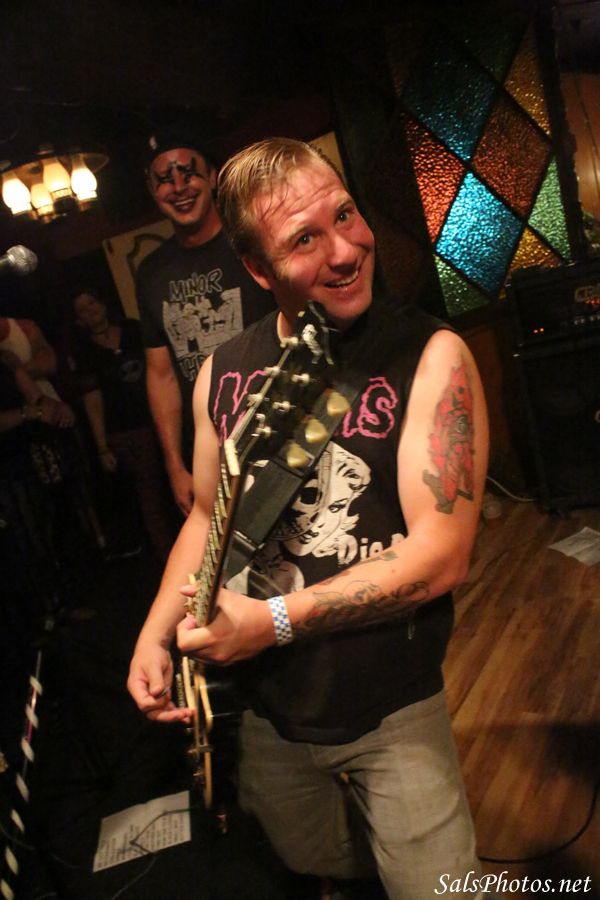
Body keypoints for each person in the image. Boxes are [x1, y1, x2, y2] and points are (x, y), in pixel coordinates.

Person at [128, 137, 490, 899]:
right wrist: (155, 632)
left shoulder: (431, 355)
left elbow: (442, 554)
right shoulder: (222, 372)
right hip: (270, 708)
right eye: (304, 239)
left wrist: (271, 622)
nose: (345, 251)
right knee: (310, 855)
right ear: (259, 270)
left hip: (391, 701)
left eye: (345, 216)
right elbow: (205, 517)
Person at [135, 132, 275, 516]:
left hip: (276, 433)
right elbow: (161, 373)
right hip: (208, 454)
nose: (179, 187)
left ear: (213, 177)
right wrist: (175, 466)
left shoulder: (252, 241)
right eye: (165, 179)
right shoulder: (151, 272)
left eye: (189, 173)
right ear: (152, 190)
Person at [71, 287, 175, 562]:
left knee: (176, 478)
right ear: (78, 319)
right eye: (82, 309)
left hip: (160, 418)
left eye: (92, 302)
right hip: (126, 431)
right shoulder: (85, 351)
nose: (90, 310)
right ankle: (169, 557)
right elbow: (93, 400)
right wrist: (102, 447)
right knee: (149, 494)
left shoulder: (132, 330)